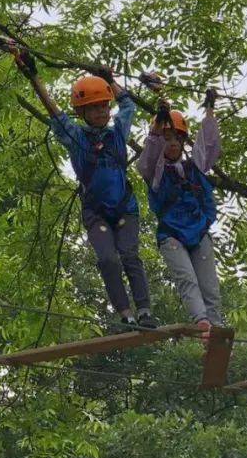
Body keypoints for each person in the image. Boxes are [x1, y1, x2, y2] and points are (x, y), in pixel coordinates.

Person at [15, 48, 160, 332]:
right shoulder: (75, 137)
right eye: (94, 108)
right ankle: (125, 315)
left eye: (104, 106)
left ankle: (144, 311)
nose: (102, 112)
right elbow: (53, 111)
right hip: (95, 212)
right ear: (82, 112)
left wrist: (110, 80)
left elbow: (127, 106)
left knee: (130, 255)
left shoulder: (117, 133)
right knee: (107, 259)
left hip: (124, 209)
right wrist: (33, 75)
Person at [136, 90, 223, 341]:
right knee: (187, 279)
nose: (172, 143)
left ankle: (216, 328)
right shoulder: (156, 171)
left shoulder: (193, 168)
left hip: (198, 231)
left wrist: (209, 111)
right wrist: (156, 127)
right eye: (168, 139)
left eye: (177, 139)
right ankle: (203, 323)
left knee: (210, 286)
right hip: (172, 234)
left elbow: (207, 145)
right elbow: (148, 157)